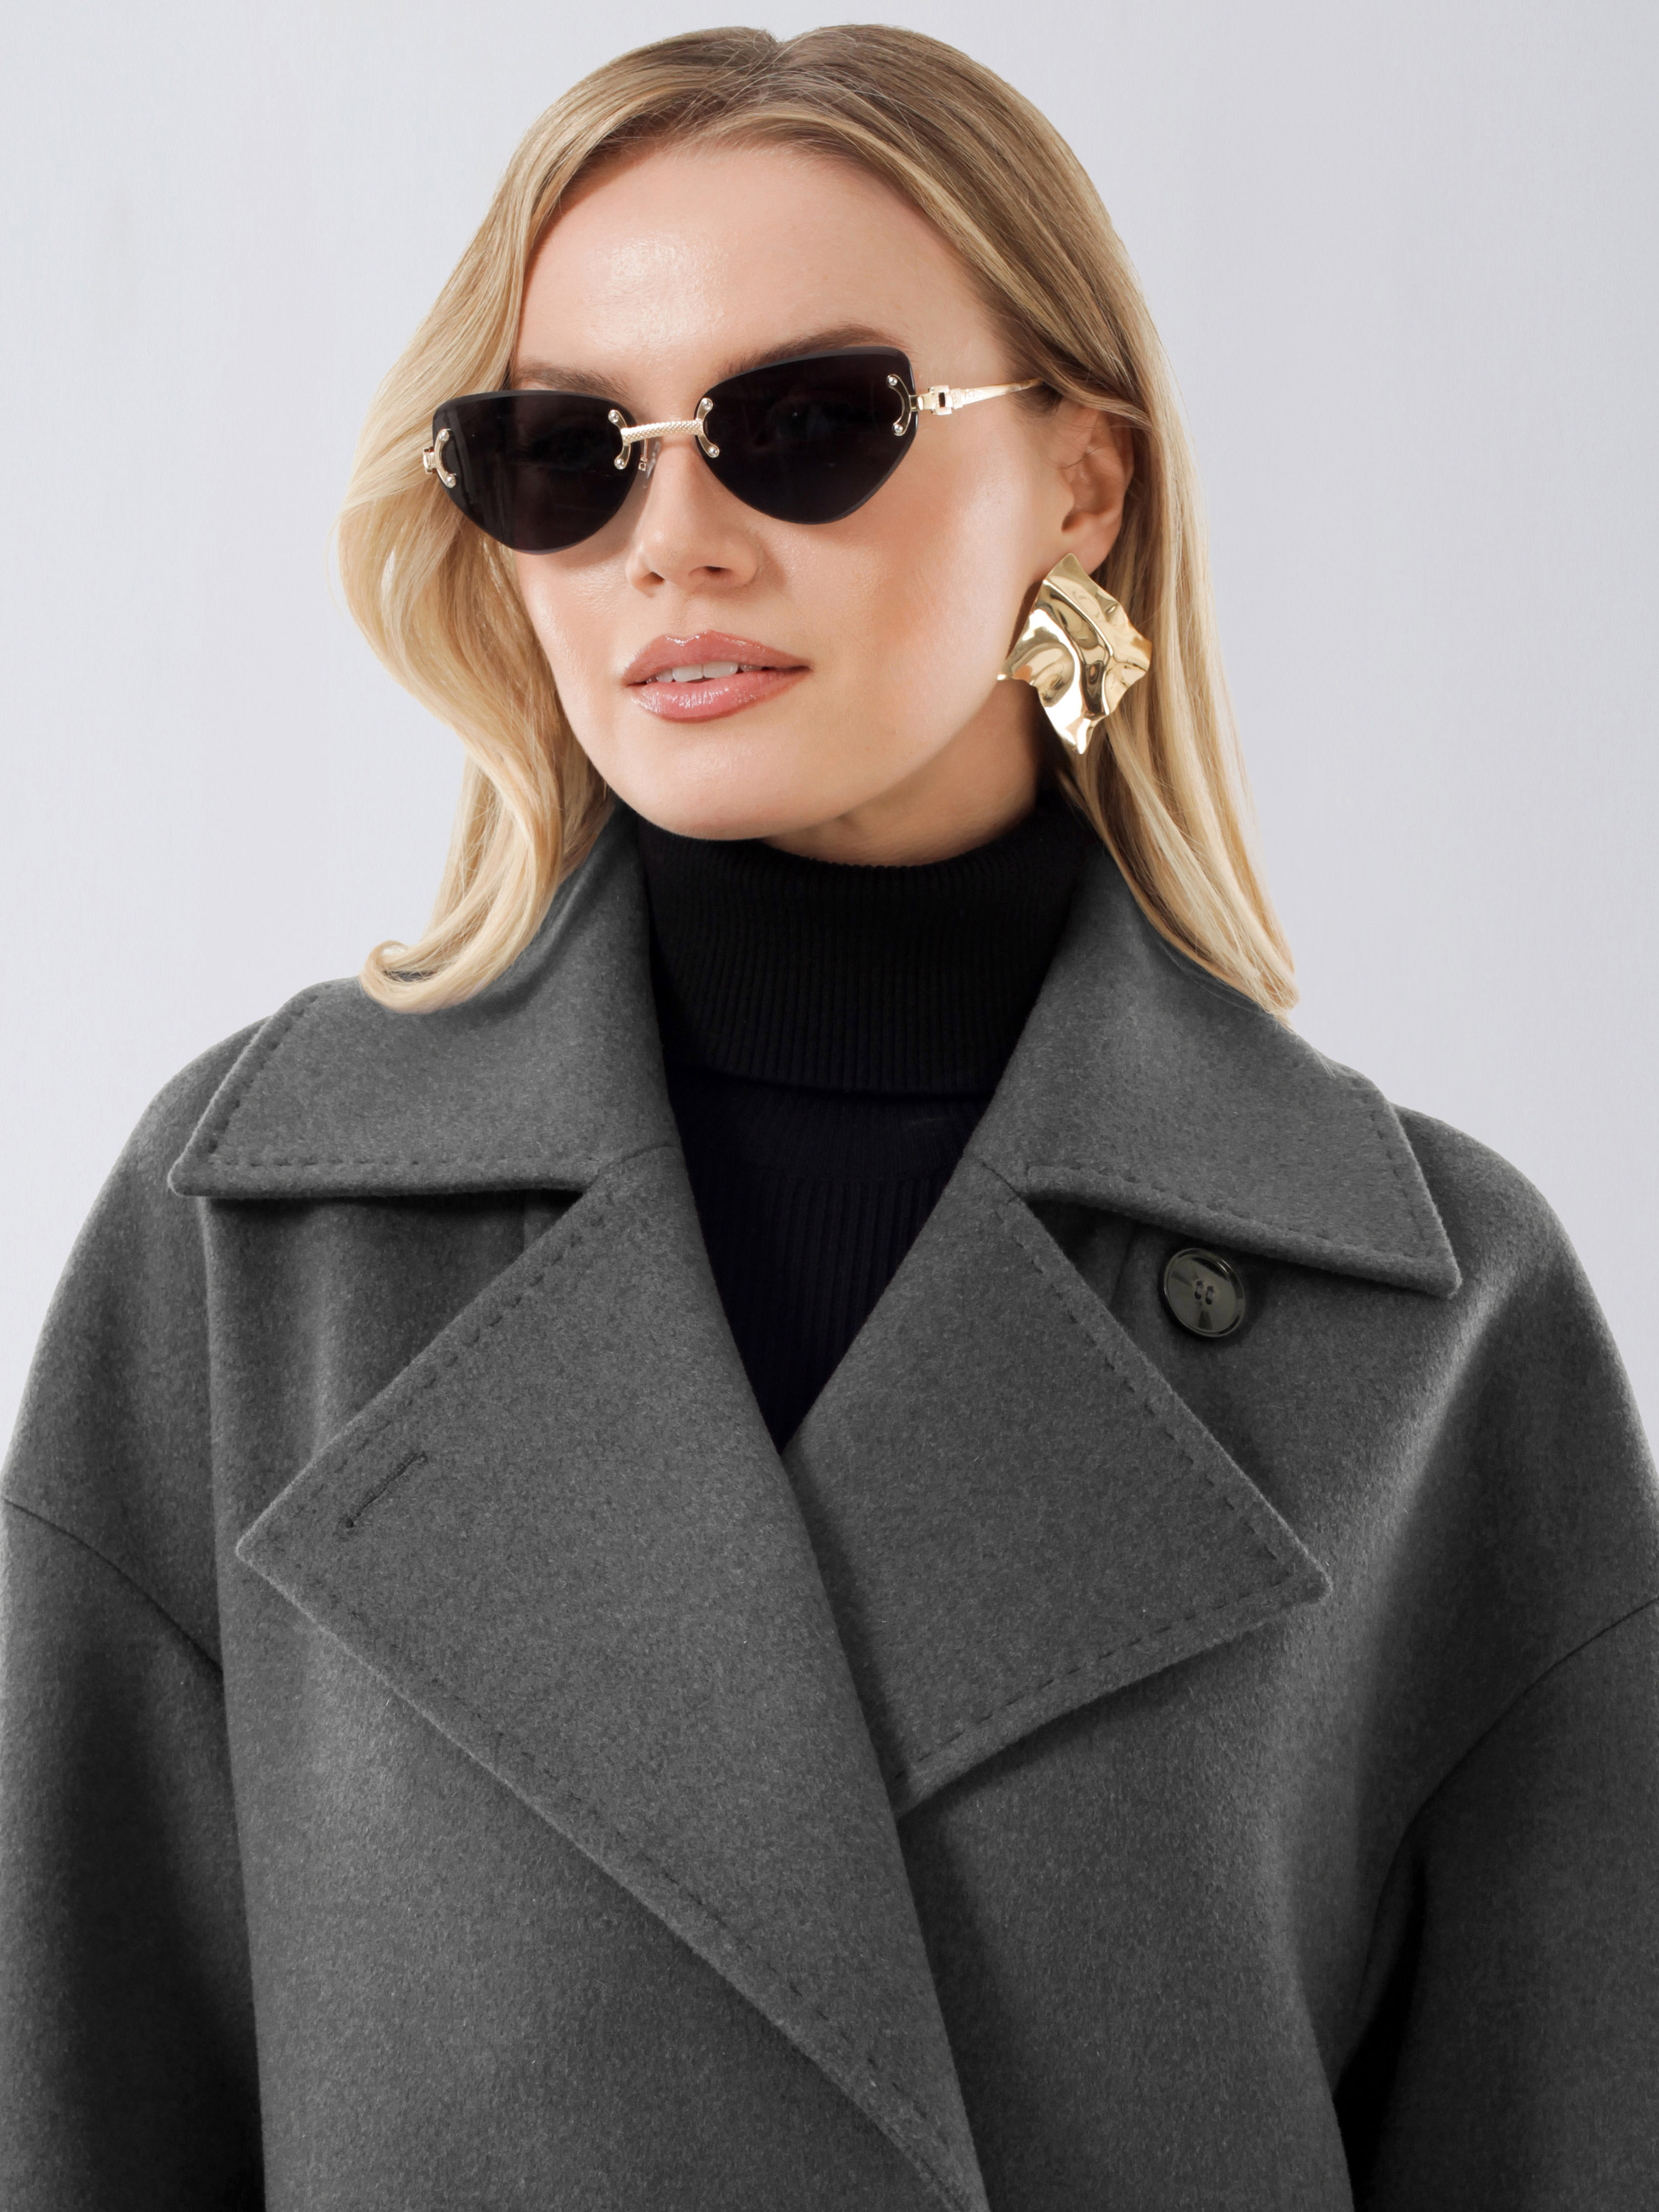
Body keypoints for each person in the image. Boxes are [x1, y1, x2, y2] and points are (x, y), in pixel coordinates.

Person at [2, 24, 1655, 2212]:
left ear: (1080, 479)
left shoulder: (1431, 1316)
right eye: (563, 457)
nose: (670, 545)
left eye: (804, 428)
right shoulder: (256, 1244)